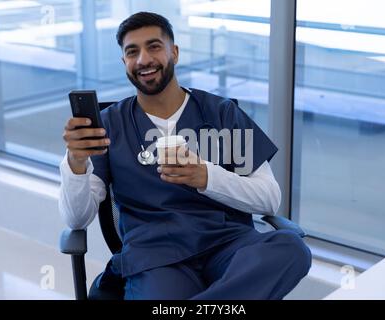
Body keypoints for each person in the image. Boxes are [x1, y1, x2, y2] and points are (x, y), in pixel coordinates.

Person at [59, 11, 311, 300]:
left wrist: (206, 176)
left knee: (291, 249)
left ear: (174, 53)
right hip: (157, 256)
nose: (143, 60)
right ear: (124, 63)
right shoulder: (108, 125)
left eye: (154, 46)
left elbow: (269, 198)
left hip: (228, 245)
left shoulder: (222, 113)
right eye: (132, 52)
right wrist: (76, 164)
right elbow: (77, 220)